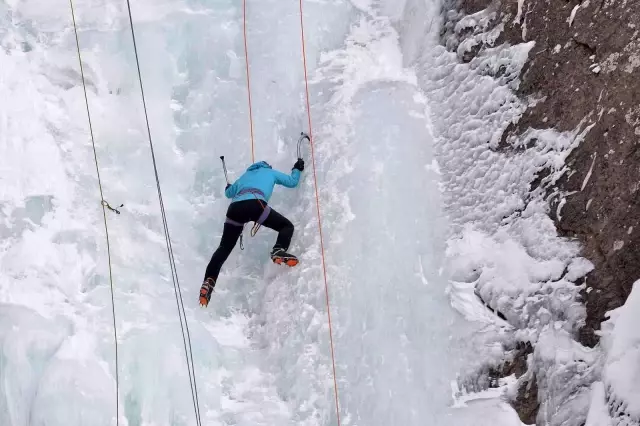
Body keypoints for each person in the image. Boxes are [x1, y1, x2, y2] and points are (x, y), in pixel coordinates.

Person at [199, 158, 305, 307]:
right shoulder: (270, 172)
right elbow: (292, 182)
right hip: (255, 204)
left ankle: (208, 281)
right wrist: (297, 168)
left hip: (234, 210)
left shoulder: (245, 176)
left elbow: (229, 193)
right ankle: (278, 250)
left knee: (224, 248)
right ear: (267, 166)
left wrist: (228, 187)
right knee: (286, 226)